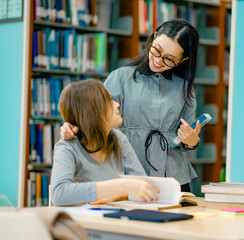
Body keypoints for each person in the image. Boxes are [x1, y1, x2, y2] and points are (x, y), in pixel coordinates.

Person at [61, 19, 201, 192]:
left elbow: (185, 135)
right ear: (153, 37)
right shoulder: (121, 77)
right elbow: (94, 115)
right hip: (126, 172)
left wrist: (191, 141)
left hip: (173, 178)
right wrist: (71, 127)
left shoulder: (184, 88)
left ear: (183, 59)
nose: (158, 60)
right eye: (157, 50)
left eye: (169, 59)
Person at [51, 79, 159, 206]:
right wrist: (120, 186)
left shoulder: (119, 139)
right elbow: (58, 194)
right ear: (92, 111)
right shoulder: (67, 147)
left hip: (117, 219)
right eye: (108, 100)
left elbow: (142, 187)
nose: (117, 104)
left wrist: (117, 195)